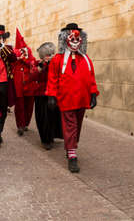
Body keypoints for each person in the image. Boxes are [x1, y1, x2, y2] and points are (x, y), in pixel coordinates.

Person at [46, 23, 99, 173]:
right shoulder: (58, 59)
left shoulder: (86, 59)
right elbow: (52, 78)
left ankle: (71, 147)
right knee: (70, 125)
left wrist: (93, 93)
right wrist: (51, 95)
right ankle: (72, 155)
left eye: (78, 39)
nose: (75, 42)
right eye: (72, 39)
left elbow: (91, 78)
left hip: (82, 98)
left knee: (77, 125)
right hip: (66, 98)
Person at [30, 42, 63, 150]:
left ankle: (52, 136)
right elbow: (33, 75)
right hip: (40, 94)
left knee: (53, 116)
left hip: (53, 93)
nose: (49, 56)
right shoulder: (37, 63)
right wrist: (42, 65)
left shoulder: (55, 63)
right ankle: (45, 139)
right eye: (47, 54)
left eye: (51, 54)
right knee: (42, 117)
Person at [12, 29, 37, 136]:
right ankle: (20, 125)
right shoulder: (14, 54)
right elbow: (11, 64)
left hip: (29, 84)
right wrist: (18, 58)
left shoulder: (29, 52)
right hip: (18, 84)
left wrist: (27, 59)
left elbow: (33, 63)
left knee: (29, 105)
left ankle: (26, 123)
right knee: (19, 106)